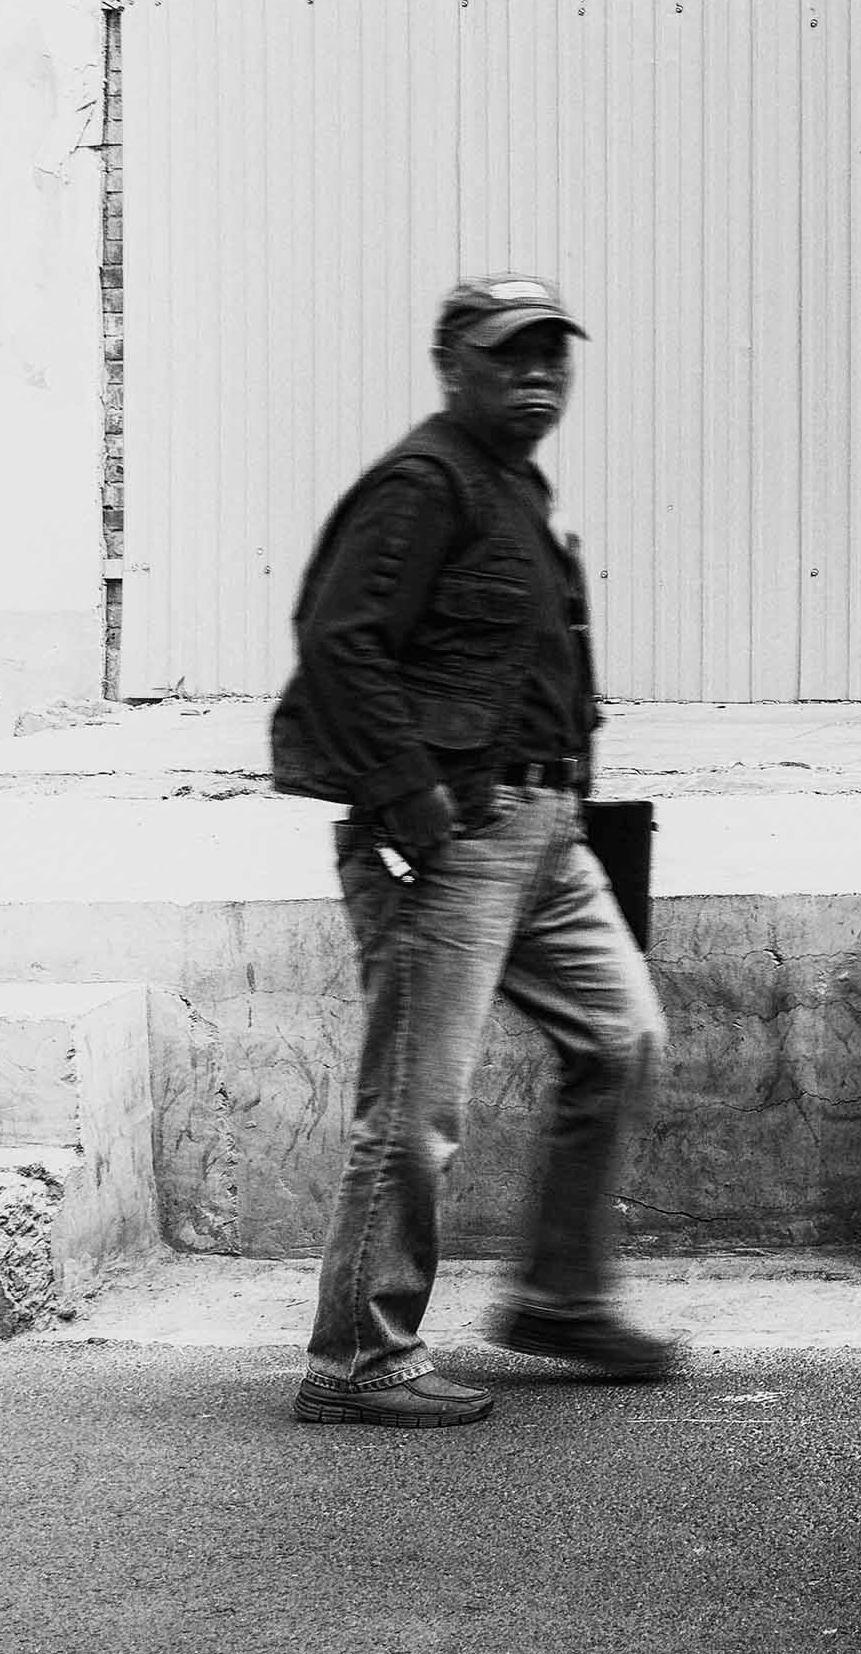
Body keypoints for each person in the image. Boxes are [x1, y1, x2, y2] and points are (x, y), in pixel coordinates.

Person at [271, 275, 676, 1427]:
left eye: (555, 355)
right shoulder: (422, 485)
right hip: (455, 833)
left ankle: (557, 1297)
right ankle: (356, 1360)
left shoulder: (513, 486)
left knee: (620, 1040)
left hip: (544, 837)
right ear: (454, 365)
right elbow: (339, 642)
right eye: (510, 355)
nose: (538, 374)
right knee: (413, 1111)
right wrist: (409, 812)